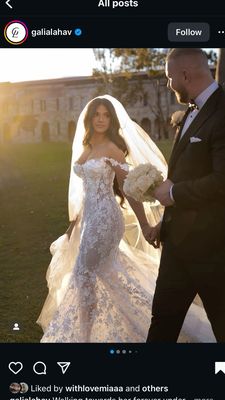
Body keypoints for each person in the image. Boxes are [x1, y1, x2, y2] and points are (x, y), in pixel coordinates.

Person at [37, 95, 215, 342]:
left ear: (111, 119)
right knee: (107, 276)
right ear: (90, 118)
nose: (101, 119)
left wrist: (144, 224)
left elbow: (128, 188)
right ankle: (141, 322)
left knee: (84, 274)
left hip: (105, 220)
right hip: (88, 219)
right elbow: (86, 192)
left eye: (106, 115)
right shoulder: (87, 145)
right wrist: (73, 224)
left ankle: (83, 336)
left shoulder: (113, 148)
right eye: (97, 114)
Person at [147, 48, 225, 342]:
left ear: (185, 74)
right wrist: (167, 221)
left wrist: (172, 193)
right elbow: (188, 171)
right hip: (177, 247)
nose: (169, 85)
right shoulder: (189, 112)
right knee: (162, 322)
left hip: (215, 252)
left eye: (170, 78)